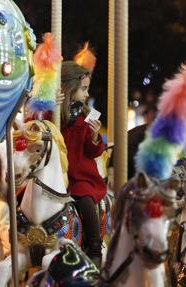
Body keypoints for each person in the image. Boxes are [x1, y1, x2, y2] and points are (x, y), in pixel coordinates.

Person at [60, 61, 106, 266]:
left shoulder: (88, 116)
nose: (87, 95)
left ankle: (95, 246)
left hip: (80, 176)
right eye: (84, 89)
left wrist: (95, 137)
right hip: (57, 174)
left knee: (85, 197)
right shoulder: (53, 113)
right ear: (70, 88)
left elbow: (94, 151)